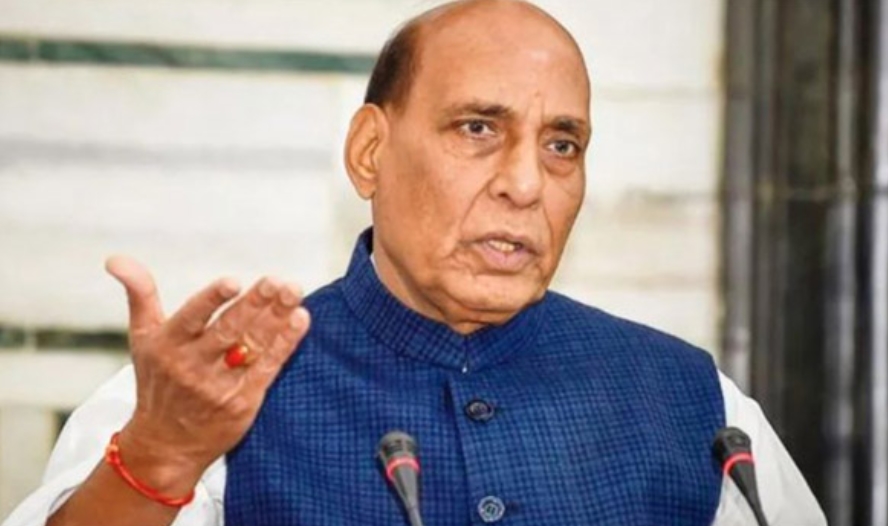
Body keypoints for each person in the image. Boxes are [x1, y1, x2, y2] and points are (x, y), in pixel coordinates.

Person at [3, 1, 826, 525]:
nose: (525, 184)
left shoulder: (695, 404)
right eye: (478, 128)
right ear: (370, 152)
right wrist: (158, 459)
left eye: (562, 145)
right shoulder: (208, 397)